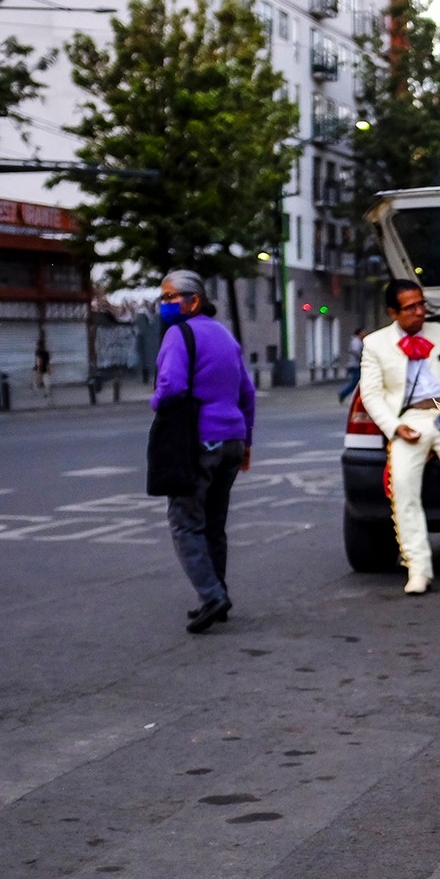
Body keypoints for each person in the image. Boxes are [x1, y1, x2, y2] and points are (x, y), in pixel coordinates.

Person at [359, 278, 440, 594]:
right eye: (410, 307)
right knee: (402, 483)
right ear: (393, 312)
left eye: (421, 304)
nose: (420, 312)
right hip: (409, 420)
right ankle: (418, 569)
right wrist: (393, 427)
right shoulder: (374, 344)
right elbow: (371, 394)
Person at [150, 270, 254, 634]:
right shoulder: (226, 335)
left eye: (171, 297)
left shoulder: (179, 333)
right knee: (214, 525)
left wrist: (155, 400)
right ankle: (217, 596)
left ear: (193, 300)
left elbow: (172, 385)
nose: (165, 304)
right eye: (163, 298)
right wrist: (248, 443)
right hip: (231, 441)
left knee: (185, 523)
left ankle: (212, 596)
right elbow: (248, 393)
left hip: (198, 442)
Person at [337, 329, 364, 402]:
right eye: (363, 332)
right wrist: (361, 357)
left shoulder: (356, 341)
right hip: (355, 365)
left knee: (357, 383)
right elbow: (356, 351)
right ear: (359, 333)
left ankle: (355, 397)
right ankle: (343, 394)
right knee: (355, 383)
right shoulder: (356, 341)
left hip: (354, 364)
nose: (364, 334)